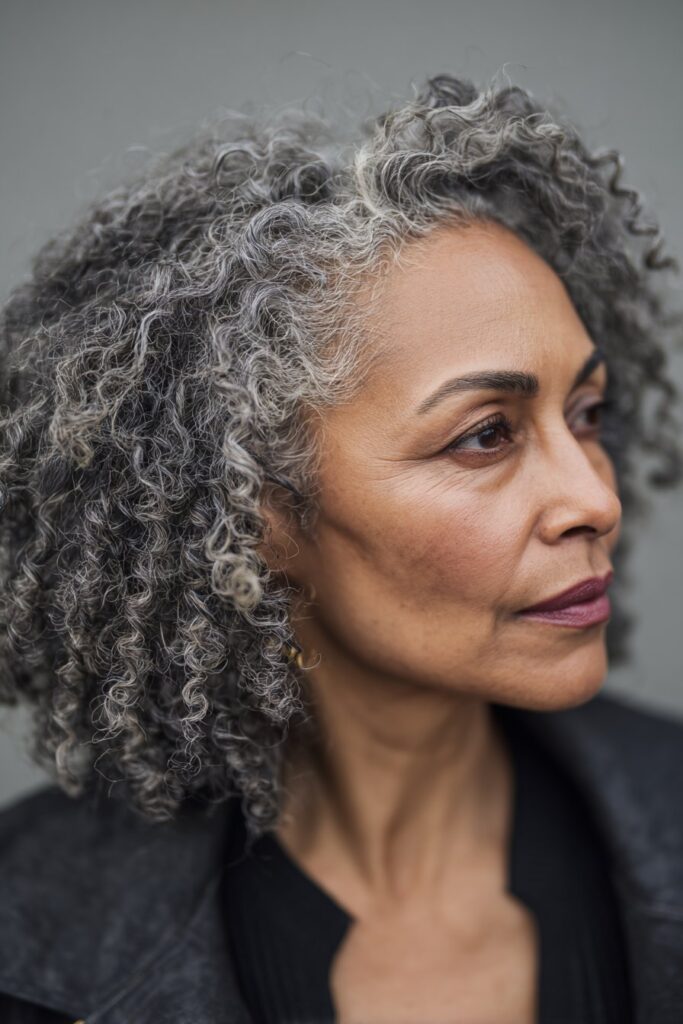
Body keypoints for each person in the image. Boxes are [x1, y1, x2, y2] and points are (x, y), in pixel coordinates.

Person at [0, 71, 682, 1024]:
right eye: (484, 434)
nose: (593, 498)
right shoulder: (25, 938)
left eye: (587, 413)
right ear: (251, 513)